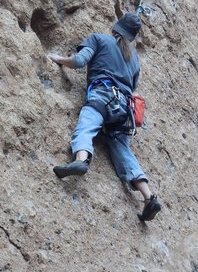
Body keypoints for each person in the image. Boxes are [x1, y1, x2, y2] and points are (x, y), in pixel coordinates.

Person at [47, 12, 161, 222]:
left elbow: (80, 61)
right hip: (124, 110)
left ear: (116, 28)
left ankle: (81, 160)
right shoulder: (134, 59)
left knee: (86, 127)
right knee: (122, 150)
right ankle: (149, 196)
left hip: (103, 96)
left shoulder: (99, 39)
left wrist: (58, 59)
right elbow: (132, 87)